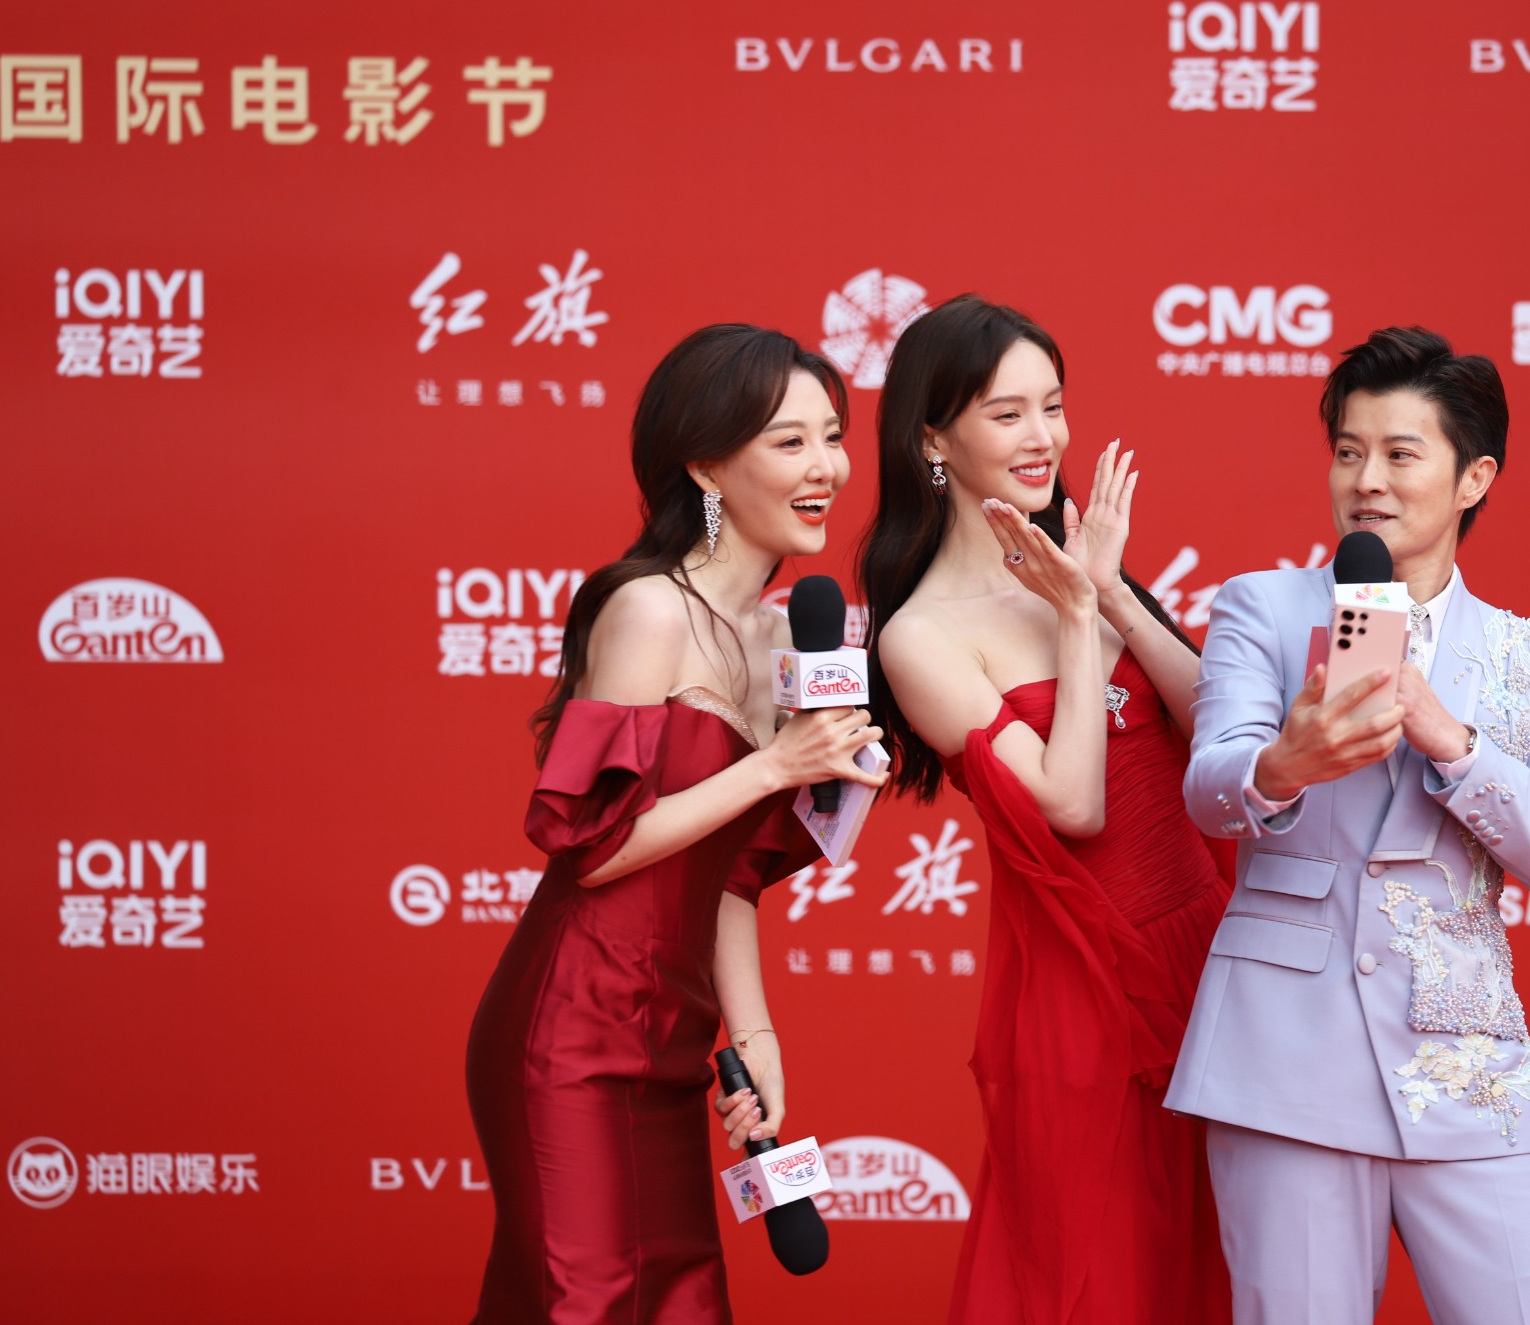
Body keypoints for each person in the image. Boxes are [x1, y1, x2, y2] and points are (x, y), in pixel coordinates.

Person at [1165, 326, 1530, 1324]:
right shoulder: (1263, 609)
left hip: (1466, 1069)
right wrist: (1287, 760)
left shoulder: (1529, 658)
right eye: (1348, 451)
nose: (1366, 480)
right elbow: (1210, 786)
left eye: (1400, 454)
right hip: (1284, 1063)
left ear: (1472, 478)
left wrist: (1455, 745)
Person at [465, 324, 886, 1324]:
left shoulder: (782, 640)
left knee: (678, 1303)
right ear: (705, 465)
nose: (825, 467)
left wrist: (755, 1035)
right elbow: (593, 844)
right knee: (588, 1302)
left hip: (674, 1034)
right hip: (572, 1029)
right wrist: (776, 765)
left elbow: (729, 874)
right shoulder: (647, 610)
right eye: (788, 442)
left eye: (831, 437)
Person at [859, 296, 1231, 1323]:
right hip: (1084, 988)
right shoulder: (920, 635)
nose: (1043, 437)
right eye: (1007, 413)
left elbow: (1220, 731)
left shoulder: (1085, 564)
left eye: (1053, 407)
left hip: (1212, 956)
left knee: (1224, 1267)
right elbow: (1072, 803)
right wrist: (1075, 616)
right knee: (1103, 1275)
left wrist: (1110, 596)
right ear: (932, 440)